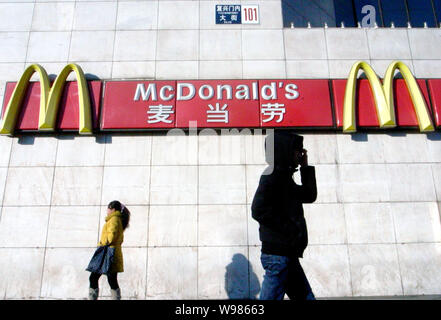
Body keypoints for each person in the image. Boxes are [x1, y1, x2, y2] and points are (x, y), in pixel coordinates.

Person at [251, 130, 317, 300]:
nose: (300, 153)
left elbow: (309, 195)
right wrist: (289, 229)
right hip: (278, 255)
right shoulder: (271, 175)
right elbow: (258, 210)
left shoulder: (284, 176)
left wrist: (305, 167)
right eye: (297, 150)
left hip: (287, 253)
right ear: (284, 150)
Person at [88, 200, 130, 300]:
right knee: (111, 280)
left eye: (108, 208)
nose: (107, 210)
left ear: (112, 209)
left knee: (94, 277)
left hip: (108, 253)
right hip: (111, 253)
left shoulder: (114, 219)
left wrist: (103, 243)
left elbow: (111, 236)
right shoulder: (116, 219)